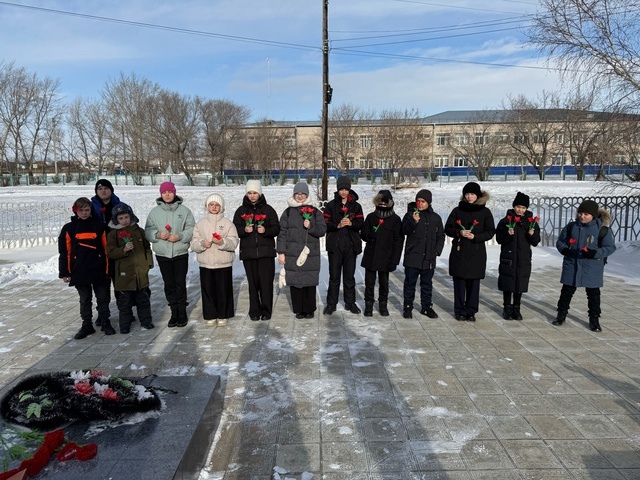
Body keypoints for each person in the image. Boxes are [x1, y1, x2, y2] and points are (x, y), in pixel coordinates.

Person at [553, 199, 616, 332]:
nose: (582, 216)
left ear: (593, 215)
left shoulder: (602, 230)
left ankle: (594, 319)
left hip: (592, 267)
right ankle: (561, 315)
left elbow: (610, 247)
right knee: (566, 292)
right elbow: (560, 242)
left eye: (586, 214)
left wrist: (595, 253)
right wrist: (565, 250)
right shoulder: (571, 227)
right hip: (572, 264)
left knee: (593, 294)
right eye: (580, 213)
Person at [58, 197, 115, 338]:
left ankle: (105, 321)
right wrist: (65, 272)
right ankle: (87, 324)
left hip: (99, 269)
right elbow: (65, 252)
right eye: (81, 210)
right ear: (75, 210)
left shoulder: (101, 226)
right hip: (79, 270)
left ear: (91, 210)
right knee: (84, 300)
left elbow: (107, 250)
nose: (84, 213)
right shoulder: (69, 228)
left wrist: (109, 269)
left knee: (103, 298)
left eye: (87, 210)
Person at [144, 181, 195, 328]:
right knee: (169, 284)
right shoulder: (154, 212)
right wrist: (158, 234)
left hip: (180, 252)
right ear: (161, 194)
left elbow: (191, 228)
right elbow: (148, 230)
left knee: (180, 282)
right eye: (164, 192)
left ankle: (182, 311)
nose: (167, 194)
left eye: (170, 191)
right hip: (163, 253)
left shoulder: (184, 211)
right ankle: (174, 311)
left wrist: (180, 236)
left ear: (174, 192)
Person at [445, 181, 495, 322]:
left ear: (477, 195)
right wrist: (459, 232)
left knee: (474, 284)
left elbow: (490, 231)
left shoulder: (485, 212)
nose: (469, 196)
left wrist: (476, 237)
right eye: (467, 194)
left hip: (476, 252)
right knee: (459, 283)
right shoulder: (457, 210)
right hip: (460, 252)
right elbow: (448, 228)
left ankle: (471, 311)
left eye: (472, 194)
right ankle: (460, 310)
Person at [277, 182, 327, 319]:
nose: (300, 196)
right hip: (292, 252)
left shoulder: (315, 212)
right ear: (294, 195)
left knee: (309, 281)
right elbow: (282, 233)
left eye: (303, 194)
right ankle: (299, 309)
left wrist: (311, 226)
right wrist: (281, 252)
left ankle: (309, 309)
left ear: (307, 195)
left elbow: (322, 230)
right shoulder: (287, 213)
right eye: (297, 194)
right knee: (295, 281)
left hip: (310, 253)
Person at [233, 180, 280, 321]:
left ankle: (266, 310)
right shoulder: (241, 211)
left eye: (255, 193)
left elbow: (276, 228)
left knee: (266, 283)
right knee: (253, 284)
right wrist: (244, 230)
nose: (252, 196)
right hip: (249, 253)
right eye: (250, 193)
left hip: (266, 253)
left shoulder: (268, 210)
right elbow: (234, 229)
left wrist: (266, 230)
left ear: (259, 193)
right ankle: (254, 310)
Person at [192, 193, 239, 326]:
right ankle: (210, 314)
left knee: (223, 290)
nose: (214, 207)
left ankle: (223, 314)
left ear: (221, 207)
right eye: (211, 205)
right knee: (208, 290)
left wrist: (222, 242)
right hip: (206, 263)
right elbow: (194, 243)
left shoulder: (227, 223)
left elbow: (234, 242)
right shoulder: (200, 224)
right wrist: (202, 244)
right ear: (207, 207)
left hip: (223, 263)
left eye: (217, 205)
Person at [106, 203, 155, 333]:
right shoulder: (113, 234)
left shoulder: (138, 231)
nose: (124, 220)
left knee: (143, 300)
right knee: (125, 302)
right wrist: (123, 250)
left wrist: (148, 264)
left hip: (140, 273)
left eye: (126, 217)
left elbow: (146, 248)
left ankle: (146, 321)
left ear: (131, 216)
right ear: (116, 219)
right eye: (121, 218)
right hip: (124, 274)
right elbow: (110, 252)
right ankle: (125, 325)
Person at [495, 192, 541, 320]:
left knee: (519, 284)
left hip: (523, 258)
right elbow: (499, 239)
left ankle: (517, 308)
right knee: (507, 283)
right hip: (508, 257)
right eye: (518, 207)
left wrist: (531, 234)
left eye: (523, 208)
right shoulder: (505, 221)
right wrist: (507, 234)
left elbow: (536, 241)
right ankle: (506, 308)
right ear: (514, 207)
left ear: (526, 209)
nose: (520, 210)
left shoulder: (530, 223)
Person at [322, 176, 364, 315]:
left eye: (346, 189)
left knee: (349, 276)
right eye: (341, 189)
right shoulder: (331, 205)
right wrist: (337, 225)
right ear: (338, 189)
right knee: (334, 276)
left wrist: (352, 224)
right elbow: (325, 224)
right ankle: (331, 304)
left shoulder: (356, 206)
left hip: (350, 245)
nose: (344, 192)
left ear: (349, 189)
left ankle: (350, 303)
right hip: (335, 246)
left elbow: (361, 224)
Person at [401, 189, 445, 319]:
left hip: (429, 257)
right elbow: (404, 230)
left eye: (423, 201)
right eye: (418, 201)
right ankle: (408, 307)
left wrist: (436, 251)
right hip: (413, 256)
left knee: (427, 284)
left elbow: (440, 236)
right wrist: (414, 222)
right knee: (410, 283)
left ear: (429, 202)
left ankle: (426, 307)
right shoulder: (410, 215)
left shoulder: (435, 218)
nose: (420, 204)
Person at [360, 189, 404, 317]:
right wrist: (369, 235)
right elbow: (363, 234)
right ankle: (368, 304)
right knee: (369, 282)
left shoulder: (395, 219)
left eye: (385, 202)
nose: (383, 205)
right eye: (380, 202)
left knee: (384, 283)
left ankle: (383, 305)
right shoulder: (371, 217)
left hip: (387, 256)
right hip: (371, 255)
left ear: (390, 203)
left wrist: (395, 260)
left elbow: (398, 241)